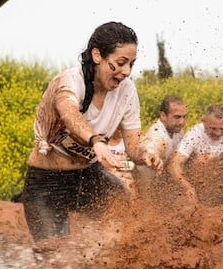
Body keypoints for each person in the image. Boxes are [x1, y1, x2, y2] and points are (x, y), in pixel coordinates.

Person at [21, 21, 163, 242]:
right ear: (97, 55)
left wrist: (145, 156)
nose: (126, 72)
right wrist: (96, 141)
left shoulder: (127, 90)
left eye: (131, 64)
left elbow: (133, 145)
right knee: (54, 254)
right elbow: (69, 112)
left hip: (87, 175)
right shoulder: (70, 80)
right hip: (46, 182)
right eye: (120, 63)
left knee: (121, 203)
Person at [168, 104, 223, 206]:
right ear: (204, 121)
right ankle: (204, 205)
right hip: (200, 186)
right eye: (213, 128)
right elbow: (174, 164)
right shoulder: (194, 134)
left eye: (221, 128)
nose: (218, 133)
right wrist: (187, 188)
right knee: (203, 161)